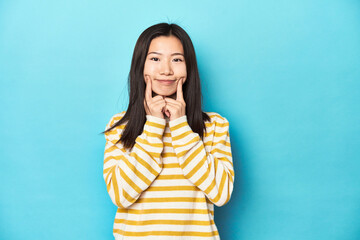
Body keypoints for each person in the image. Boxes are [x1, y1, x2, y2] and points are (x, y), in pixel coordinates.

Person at [102, 22, 234, 240]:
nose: (166, 70)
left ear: (188, 67)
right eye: (155, 58)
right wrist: (153, 127)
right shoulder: (120, 128)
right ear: (140, 66)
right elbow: (121, 194)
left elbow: (221, 193)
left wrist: (181, 126)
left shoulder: (215, 126)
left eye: (177, 59)